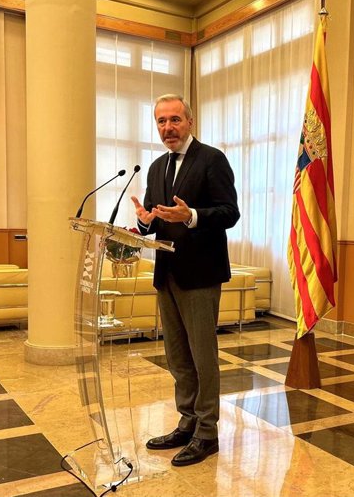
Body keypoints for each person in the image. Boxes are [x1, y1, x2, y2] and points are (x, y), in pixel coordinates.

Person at [131, 94, 239, 467]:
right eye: (161, 121)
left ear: (189, 122)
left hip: (201, 273)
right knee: (178, 357)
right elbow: (154, 219)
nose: (167, 128)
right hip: (168, 273)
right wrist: (145, 221)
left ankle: (207, 432)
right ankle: (187, 420)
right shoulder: (158, 166)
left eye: (174, 120)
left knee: (202, 356)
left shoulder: (212, 159)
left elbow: (230, 213)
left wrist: (191, 215)